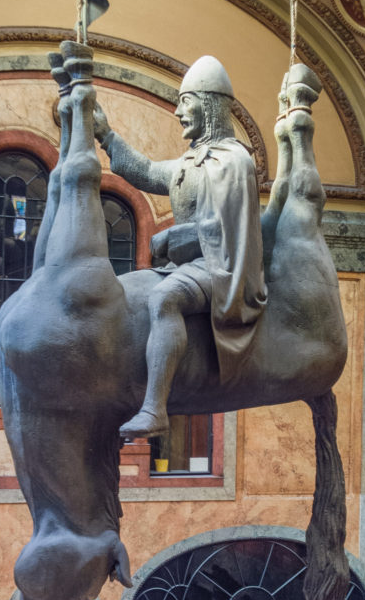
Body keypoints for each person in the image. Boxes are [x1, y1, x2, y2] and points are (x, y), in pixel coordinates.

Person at [94, 56, 267, 440]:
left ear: (207, 103)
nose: (177, 112)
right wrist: (105, 135)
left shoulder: (235, 162)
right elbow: (148, 171)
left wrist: (177, 238)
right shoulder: (192, 161)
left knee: (164, 299)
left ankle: (155, 410)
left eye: (185, 102)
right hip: (193, 265)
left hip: (223, 268)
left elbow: (231, 229)